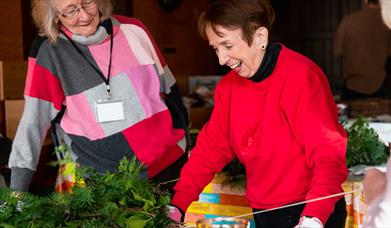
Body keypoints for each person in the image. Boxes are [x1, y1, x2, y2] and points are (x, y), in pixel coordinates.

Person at [167, 0, 348, 227]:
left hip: (311, 210)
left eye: (228, 45)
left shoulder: (301, 77)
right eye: (215, 48)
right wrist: (178, 205)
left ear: (260, 36)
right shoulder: (228, 88)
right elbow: (210, 150)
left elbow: (328, 154)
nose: (221, 59)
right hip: (264, 211)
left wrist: (314, 217)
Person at [8, 0, 189, 194]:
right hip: (101, 182)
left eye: (88, 3)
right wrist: (17, 192)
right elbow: (33, 122)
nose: (84, 16)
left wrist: (185, 140)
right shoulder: (49, 50)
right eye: (71, 10)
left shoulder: (133, 29)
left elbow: (170, 89)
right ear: (53, 15)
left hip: (167, 165)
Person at [362, 0, 391, 220]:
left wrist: (375, 192)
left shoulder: (347, 23)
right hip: (379, 83)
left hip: (353, 84)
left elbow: (337, 51)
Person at [333, 0, 391, 100]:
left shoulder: (348, 21)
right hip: (380, 86)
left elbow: (336, 51)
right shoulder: (387, 23)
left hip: (353, 84)